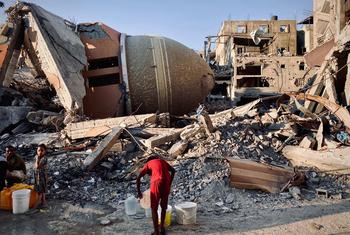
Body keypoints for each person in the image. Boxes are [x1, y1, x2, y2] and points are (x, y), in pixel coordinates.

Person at [137, 155, 176, 235]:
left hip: (156, 182)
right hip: (166, 182)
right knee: (163, 207)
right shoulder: (163, 161)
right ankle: (162, 228)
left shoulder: (148, 163)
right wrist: (170, 183)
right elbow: (173, 171)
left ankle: (156, 232)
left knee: (154, 209)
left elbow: (138, 178)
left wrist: (139, 193)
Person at [33, 144, 48, 208]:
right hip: (37, 175)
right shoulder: (37, 157)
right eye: (39, 150)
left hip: (41, 176)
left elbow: (37, 166)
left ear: (45, 151)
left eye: (42, 150)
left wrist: (37, 159)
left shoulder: (44, 158)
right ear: (37, 151)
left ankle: (39, 202)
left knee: (41, 189)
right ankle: (43, 202)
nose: (40, 152)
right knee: (41, 189)